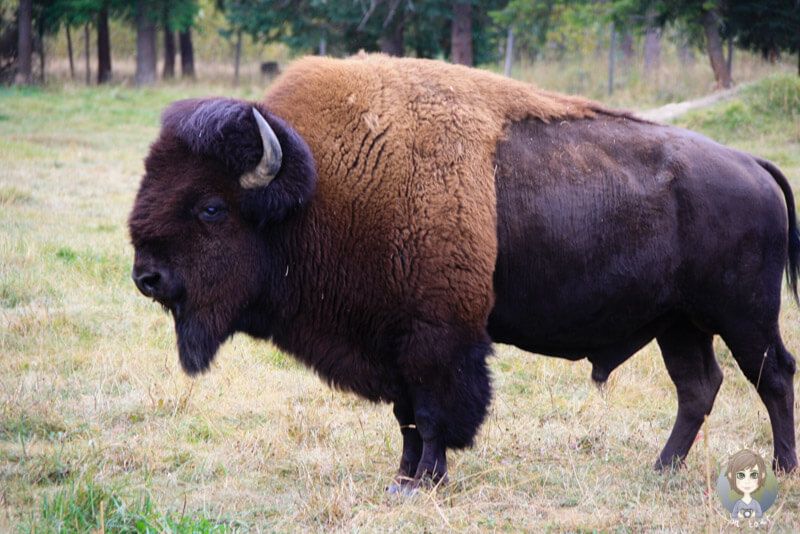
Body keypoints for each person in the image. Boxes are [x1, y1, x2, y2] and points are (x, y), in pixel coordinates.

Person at [725, 449, 766, 519]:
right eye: (741, 475)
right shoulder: (738, 503)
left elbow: (760, 514)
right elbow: (733, 515)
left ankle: (784, 470)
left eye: (754, 475)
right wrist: (740, 515)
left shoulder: (755, 503)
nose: (747, 481)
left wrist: (752, 514)